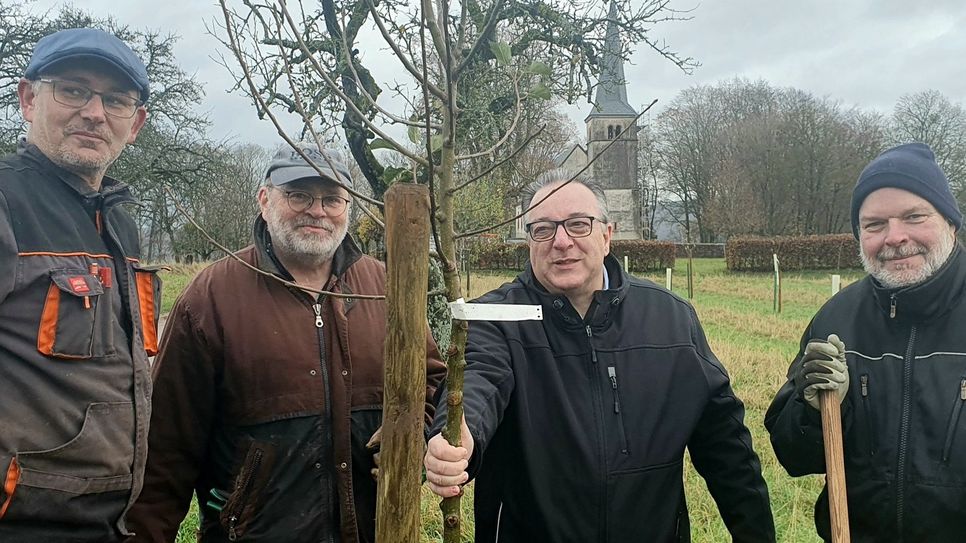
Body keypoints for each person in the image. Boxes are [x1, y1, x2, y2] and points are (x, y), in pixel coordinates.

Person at [424, 169, 775, 542]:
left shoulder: (670, 318)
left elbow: (726, 448)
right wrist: (459, 434)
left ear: (607, 235)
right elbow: (478, 379)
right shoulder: (497, 316)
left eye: (578, 224)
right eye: (543, 228)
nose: (561, 241)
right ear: (529, 241)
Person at [126, 143, 447, 542]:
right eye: (299, 195)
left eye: (332, 199)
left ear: (349, 207)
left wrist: (415, 430)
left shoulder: (386, 287)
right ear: (265, 200)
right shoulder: (211, 297)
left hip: (375, 530)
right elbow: (165, 450)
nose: (317, 210)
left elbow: (432, 378)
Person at [0, 28, 156, 542]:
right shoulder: (7, 201)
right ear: (28, 99)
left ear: (134, 124)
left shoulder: (119, 224)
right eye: (73, 90)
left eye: (115, 100)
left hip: (108, 522)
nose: (94, 112)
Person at [765, 142, 966, 541]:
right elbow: (793, 456)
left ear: (950, 222)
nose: (895, 237)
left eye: (914, 217)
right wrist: (815, 410)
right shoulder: (837, 319)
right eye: (874, 225)